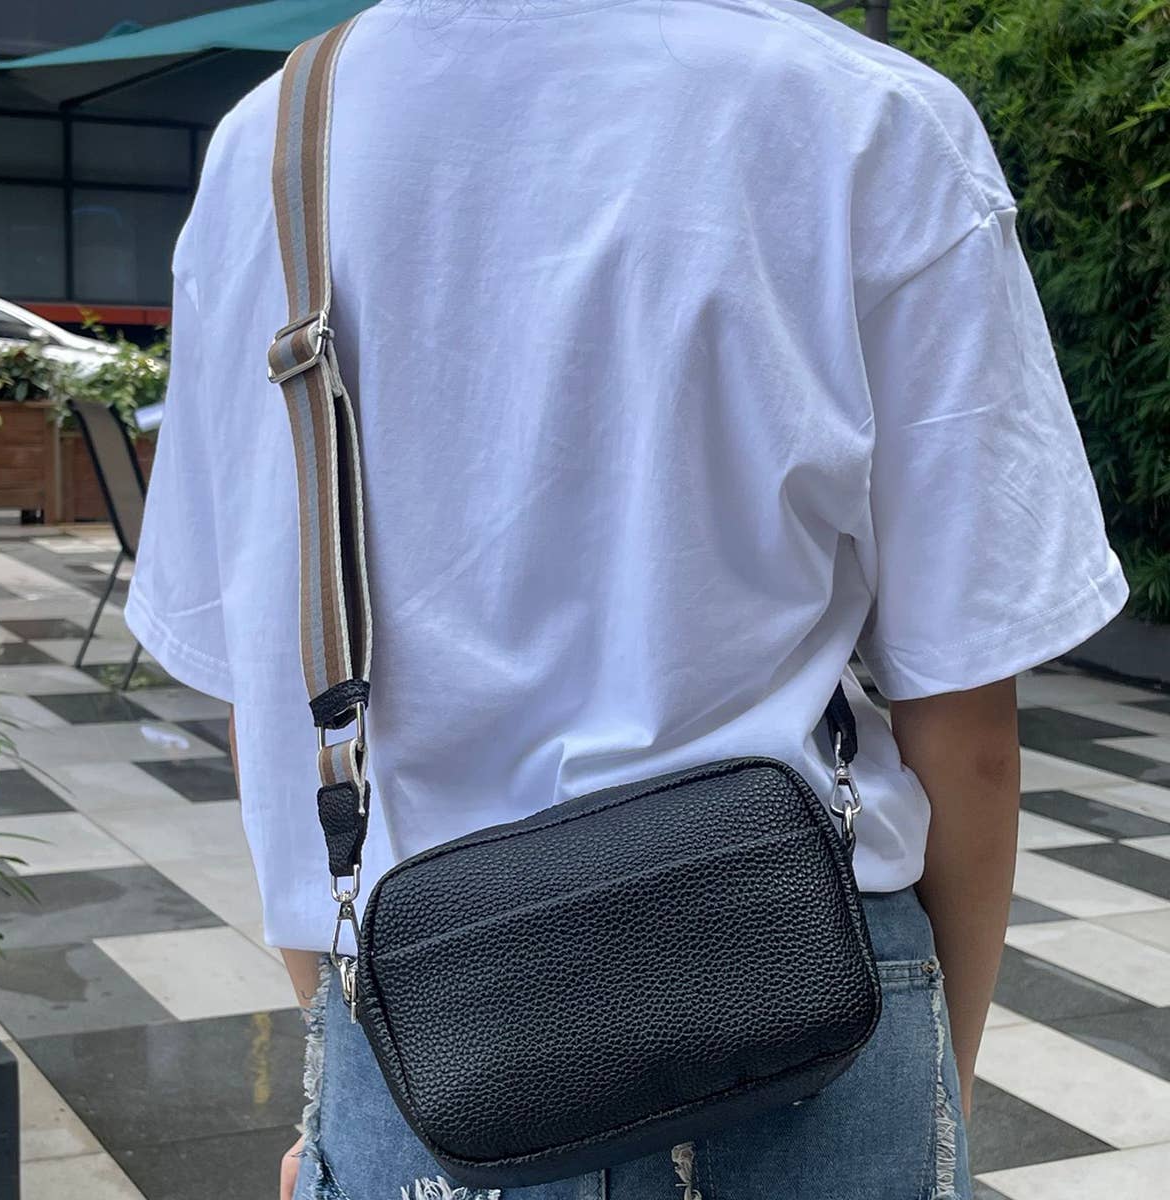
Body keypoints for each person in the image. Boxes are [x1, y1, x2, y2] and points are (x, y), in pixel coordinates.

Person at [125, 2, 1129, 1198]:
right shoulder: (869, 118)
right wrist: (936, 1097)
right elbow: (966, 724)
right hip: (810, 1003)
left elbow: (269, 697)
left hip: (434, 1028)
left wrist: (351, 1060)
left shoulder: (272, 147)